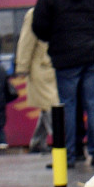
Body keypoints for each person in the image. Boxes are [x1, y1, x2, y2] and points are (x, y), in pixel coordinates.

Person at [32, 0, 94, 167]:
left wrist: (55, 40)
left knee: (67, 106)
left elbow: (38, 26)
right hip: (92, 55)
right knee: (93, 103)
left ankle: (68, 155)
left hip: (65, 57)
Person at [14, 8, 59, 153]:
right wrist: (22, 67)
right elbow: (27, 41)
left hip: (51, 67)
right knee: (51, 107)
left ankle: (38, 142)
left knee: (49, 107)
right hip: (42, 68)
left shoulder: (53, 10)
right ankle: (62, 145)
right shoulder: (35, 14)